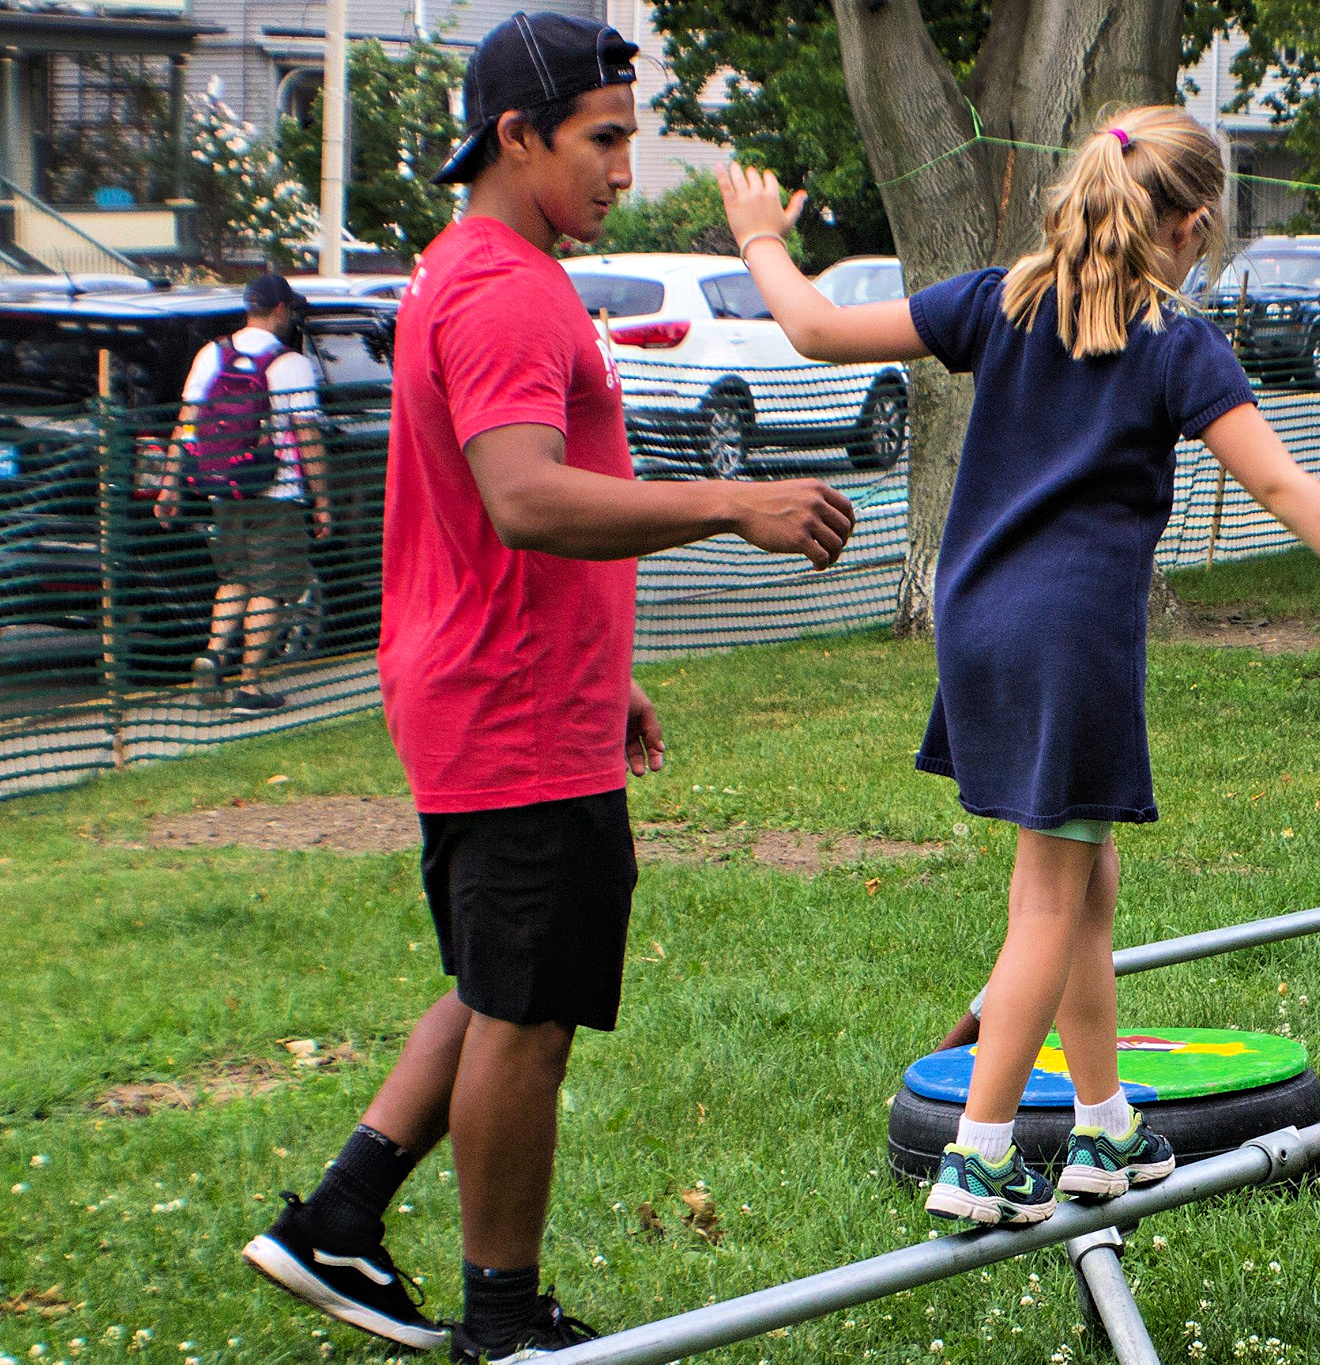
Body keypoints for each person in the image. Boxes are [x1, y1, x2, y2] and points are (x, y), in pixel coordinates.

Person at [718, 105, 1320, 1228]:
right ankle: (981, 1154)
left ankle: (1104, 1126)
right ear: (1191, 226)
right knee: (1048, 897)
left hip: (977, 622)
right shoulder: (1174, 343)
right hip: (1070, 638)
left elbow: (812, 327)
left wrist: (759, 237)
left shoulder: (997, 300)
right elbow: (1278, 485)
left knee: (1084, 877)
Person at [238, 12, 855, 1361]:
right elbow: (521, 497)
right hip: (506, 700)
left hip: (515, 687)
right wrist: (735, 502)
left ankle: (338, 1218)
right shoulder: (508, 289)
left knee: (497, 977)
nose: (625, 170)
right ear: (516, 136)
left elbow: (492, 511)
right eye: (603, 140)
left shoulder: (465, 268)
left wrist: (602, 671)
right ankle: (503, 1326)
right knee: (527, 1016)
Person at [157, 272, 329, 714]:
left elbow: (187, 424)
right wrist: (323, 501)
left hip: (223, 490)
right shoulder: (289, 363)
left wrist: (170, 484)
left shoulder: (212, 354)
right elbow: (307, 436)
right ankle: (250, 687)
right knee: (270, 588)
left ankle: (214, 655)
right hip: (277, 493)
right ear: (280, 310)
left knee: (234, 579)